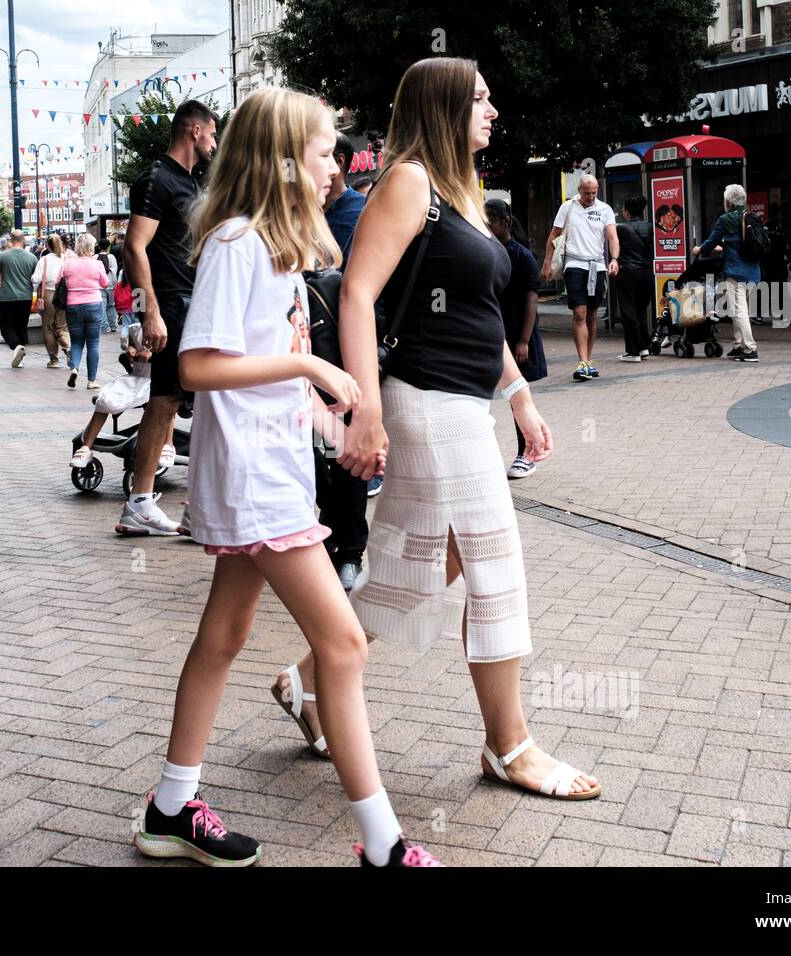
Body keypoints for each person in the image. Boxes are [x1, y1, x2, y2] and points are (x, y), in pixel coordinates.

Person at [135, 86, 440, 869]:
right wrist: (311, 364)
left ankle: (171, 806)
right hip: (253, 481)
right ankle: (383, 846)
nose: (335, 162)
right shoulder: (238, 242)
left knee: (224, 636)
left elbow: (259, 373)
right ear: (282, 160)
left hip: (267, 473)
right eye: (322, 149)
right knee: (342, 645)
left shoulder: (269, 247)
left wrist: (330, 417)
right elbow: (199, 366)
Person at [285, 57, 600, 805]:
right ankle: (509, 744)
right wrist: (366, 409)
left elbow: (476, 315)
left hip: (464, 402)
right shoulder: (410, 182)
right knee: (494, 562)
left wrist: (519, 395)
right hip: (424, 401)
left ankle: (305, 682)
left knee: (421, 564)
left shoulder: (458, 191)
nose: (493, 109)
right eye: (481, 98)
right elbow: (358, 295)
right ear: (446, 105)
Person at [117, 100, 219, 536]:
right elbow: (133, 247)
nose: (215, 143)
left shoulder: (187, 181)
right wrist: (150, 310)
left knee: (168, 399)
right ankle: (188, 506)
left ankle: (142, 502)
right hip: (172, 304)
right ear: (194, 131)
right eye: (213, 134)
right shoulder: (158, 178)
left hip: (187, 302)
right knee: (182, 397)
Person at [316, 130, 373, 590]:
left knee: (347, 459)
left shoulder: (358, 213)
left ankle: (350, 549)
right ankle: (329, 535)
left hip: (343, 347)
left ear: (337, 161)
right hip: (303, 349)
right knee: (317, 455)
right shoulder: (304, 211)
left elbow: (360, 287)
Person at [487, 199, 549, 480]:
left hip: (515, 335)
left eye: (492, 221)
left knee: (517, 399)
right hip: (493, 334)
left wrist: (523, 340)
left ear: (506, 222)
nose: (488, 226)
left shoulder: (522, 256)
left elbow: (531, 300)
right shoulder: (487, 251)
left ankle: (527, 453)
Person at [541, 173, 619, 381]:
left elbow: (612, 236)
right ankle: (582, 361)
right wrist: (547, 262)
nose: (591, 197)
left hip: (597, 265)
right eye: (587, 193)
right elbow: (554, 235)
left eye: (594, 193)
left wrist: (614, 259)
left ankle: (589, 360)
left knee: (592, 313)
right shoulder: (568, 208)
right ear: (579, 190)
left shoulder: (605, 209)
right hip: (574, 263)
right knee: (579, 312)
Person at [693, 184, 761, 362]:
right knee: (739, 309)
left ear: (728, 202)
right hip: (753, 272)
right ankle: (738, 345)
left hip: (736, 271)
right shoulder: (751, 217)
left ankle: (750, 349)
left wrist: (700, 249)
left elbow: (711, 241)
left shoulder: (726, 219)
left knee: (739, 311)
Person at [70, 324, 152, 469]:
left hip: (157, 379)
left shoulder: (169, 326)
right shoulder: (135, 329)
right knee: (104, 399)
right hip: (136, 377)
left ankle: (157, 442)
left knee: (156, 402)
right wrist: (131, 351)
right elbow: (130, 355)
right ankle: (86, 447)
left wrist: (153, 354)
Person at [61, 232, 111, 389]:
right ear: (91, 247)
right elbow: (105, 283)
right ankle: (91, 381)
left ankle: (74, 367)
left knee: (76, 342)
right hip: (93, 305)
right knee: (93, 343)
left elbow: (58, 281)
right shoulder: (97, 264)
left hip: (73, 305)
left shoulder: (68, 263)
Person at [0, 229, 39, 368]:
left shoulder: (3, 256)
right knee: (21, 326)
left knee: (6, 325)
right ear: (23, 241)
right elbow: (36, 278)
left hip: (7, 297)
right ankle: (20, 357)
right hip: (25, 296)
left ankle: (16, 346)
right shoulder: (32, 257)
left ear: (11, 240)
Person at [613, 194, 654, 362]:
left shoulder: (621, 228)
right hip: (646, 273)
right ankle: (644, 346)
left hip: (628, 273)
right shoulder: (649, 226)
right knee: (640, 310)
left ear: (627, 211)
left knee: (628, 312)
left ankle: (633, 351)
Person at [31, 232, 70, 368]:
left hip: (48, 294)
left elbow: (36, 279)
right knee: (62, 327)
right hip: (64, 295)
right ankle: (68, 348)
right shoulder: (66, 259)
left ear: (48, 245)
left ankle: (53, 359)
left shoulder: (45, 259)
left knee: (48, 328)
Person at [96, 238, 119, 334]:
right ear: (109, 246)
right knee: (112, 306)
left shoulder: (95, 257)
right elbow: (115, 271)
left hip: (100, 285)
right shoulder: (112, 257)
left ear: (99, 246)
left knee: (102, 306)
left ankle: (104, 326)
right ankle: (113, 325)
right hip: (111, 285)